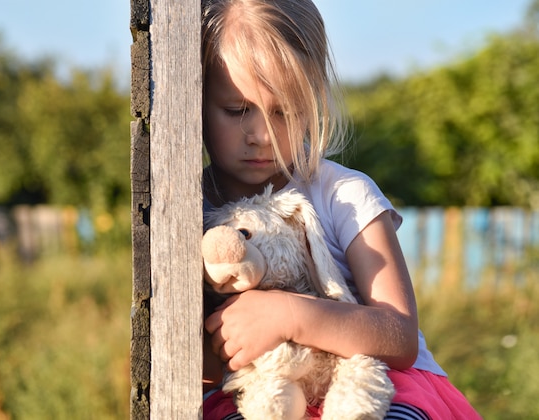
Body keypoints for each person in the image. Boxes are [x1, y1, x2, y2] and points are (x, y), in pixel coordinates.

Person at [200, 0, 481, 419]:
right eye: (237, 110)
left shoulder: (344, 194)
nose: (260, 135)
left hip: (376, 389)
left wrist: (289, 315)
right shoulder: (186, 208)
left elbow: (399, 336)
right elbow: (200, 369)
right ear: (197, 98)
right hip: (263, 395)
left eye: (285, 111)